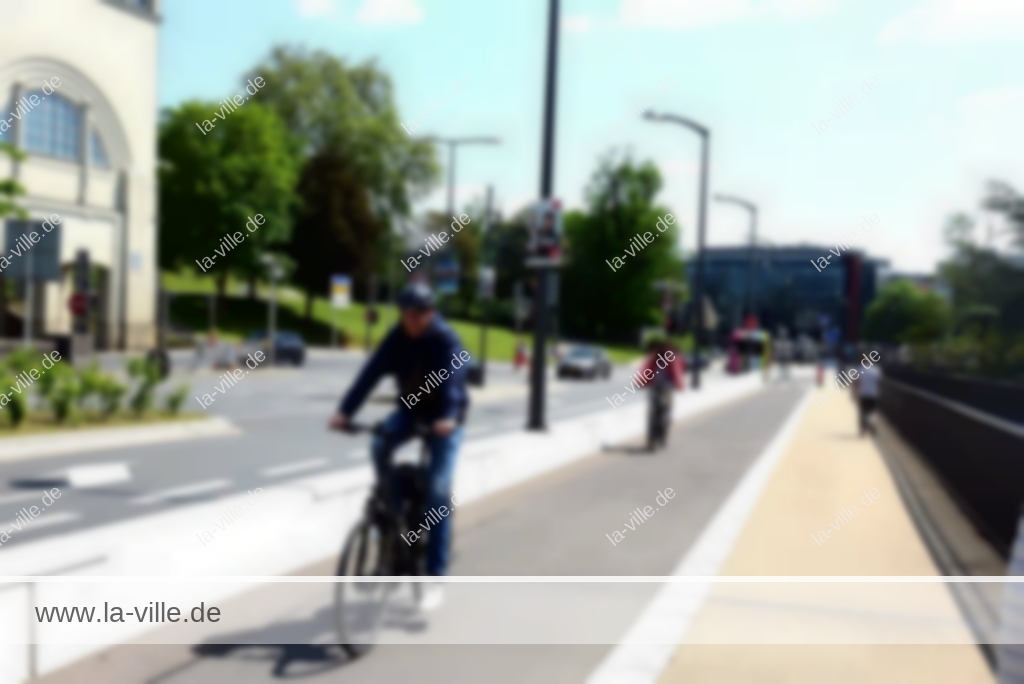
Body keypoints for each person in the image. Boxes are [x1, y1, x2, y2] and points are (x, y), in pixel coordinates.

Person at [328, 282, 468, 609]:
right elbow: (369, 374)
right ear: (403, 314)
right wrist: (344, 412)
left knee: (437, 488)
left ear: (431, 313)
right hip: (410, 411)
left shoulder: (446, 340)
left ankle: (434, 576)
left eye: (422, 313)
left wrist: (447, 417)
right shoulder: (396, 339)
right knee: (378, 444)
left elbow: (454, 383)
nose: (415, 319)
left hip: (446, 420)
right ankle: (392, 515)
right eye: (409, 314)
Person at [640, 340, 684, 451]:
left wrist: (641, 382)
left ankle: (653, 439)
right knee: (663, 413)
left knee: (656, 414)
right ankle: (657, 438)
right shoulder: (666, 358)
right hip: (663, 389)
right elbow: (647, 370)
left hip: (660, 389)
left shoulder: (657, 358)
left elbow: (676, 373)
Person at [855, 362, 881, 436]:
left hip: (863, 393)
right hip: (873, 394)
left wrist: (854, 393)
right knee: (871, 411)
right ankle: (872, 423)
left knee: (863, 412)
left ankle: (863, 430)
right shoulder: (876, 370)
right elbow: (878, 383)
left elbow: (857, 382)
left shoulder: (860, 369)